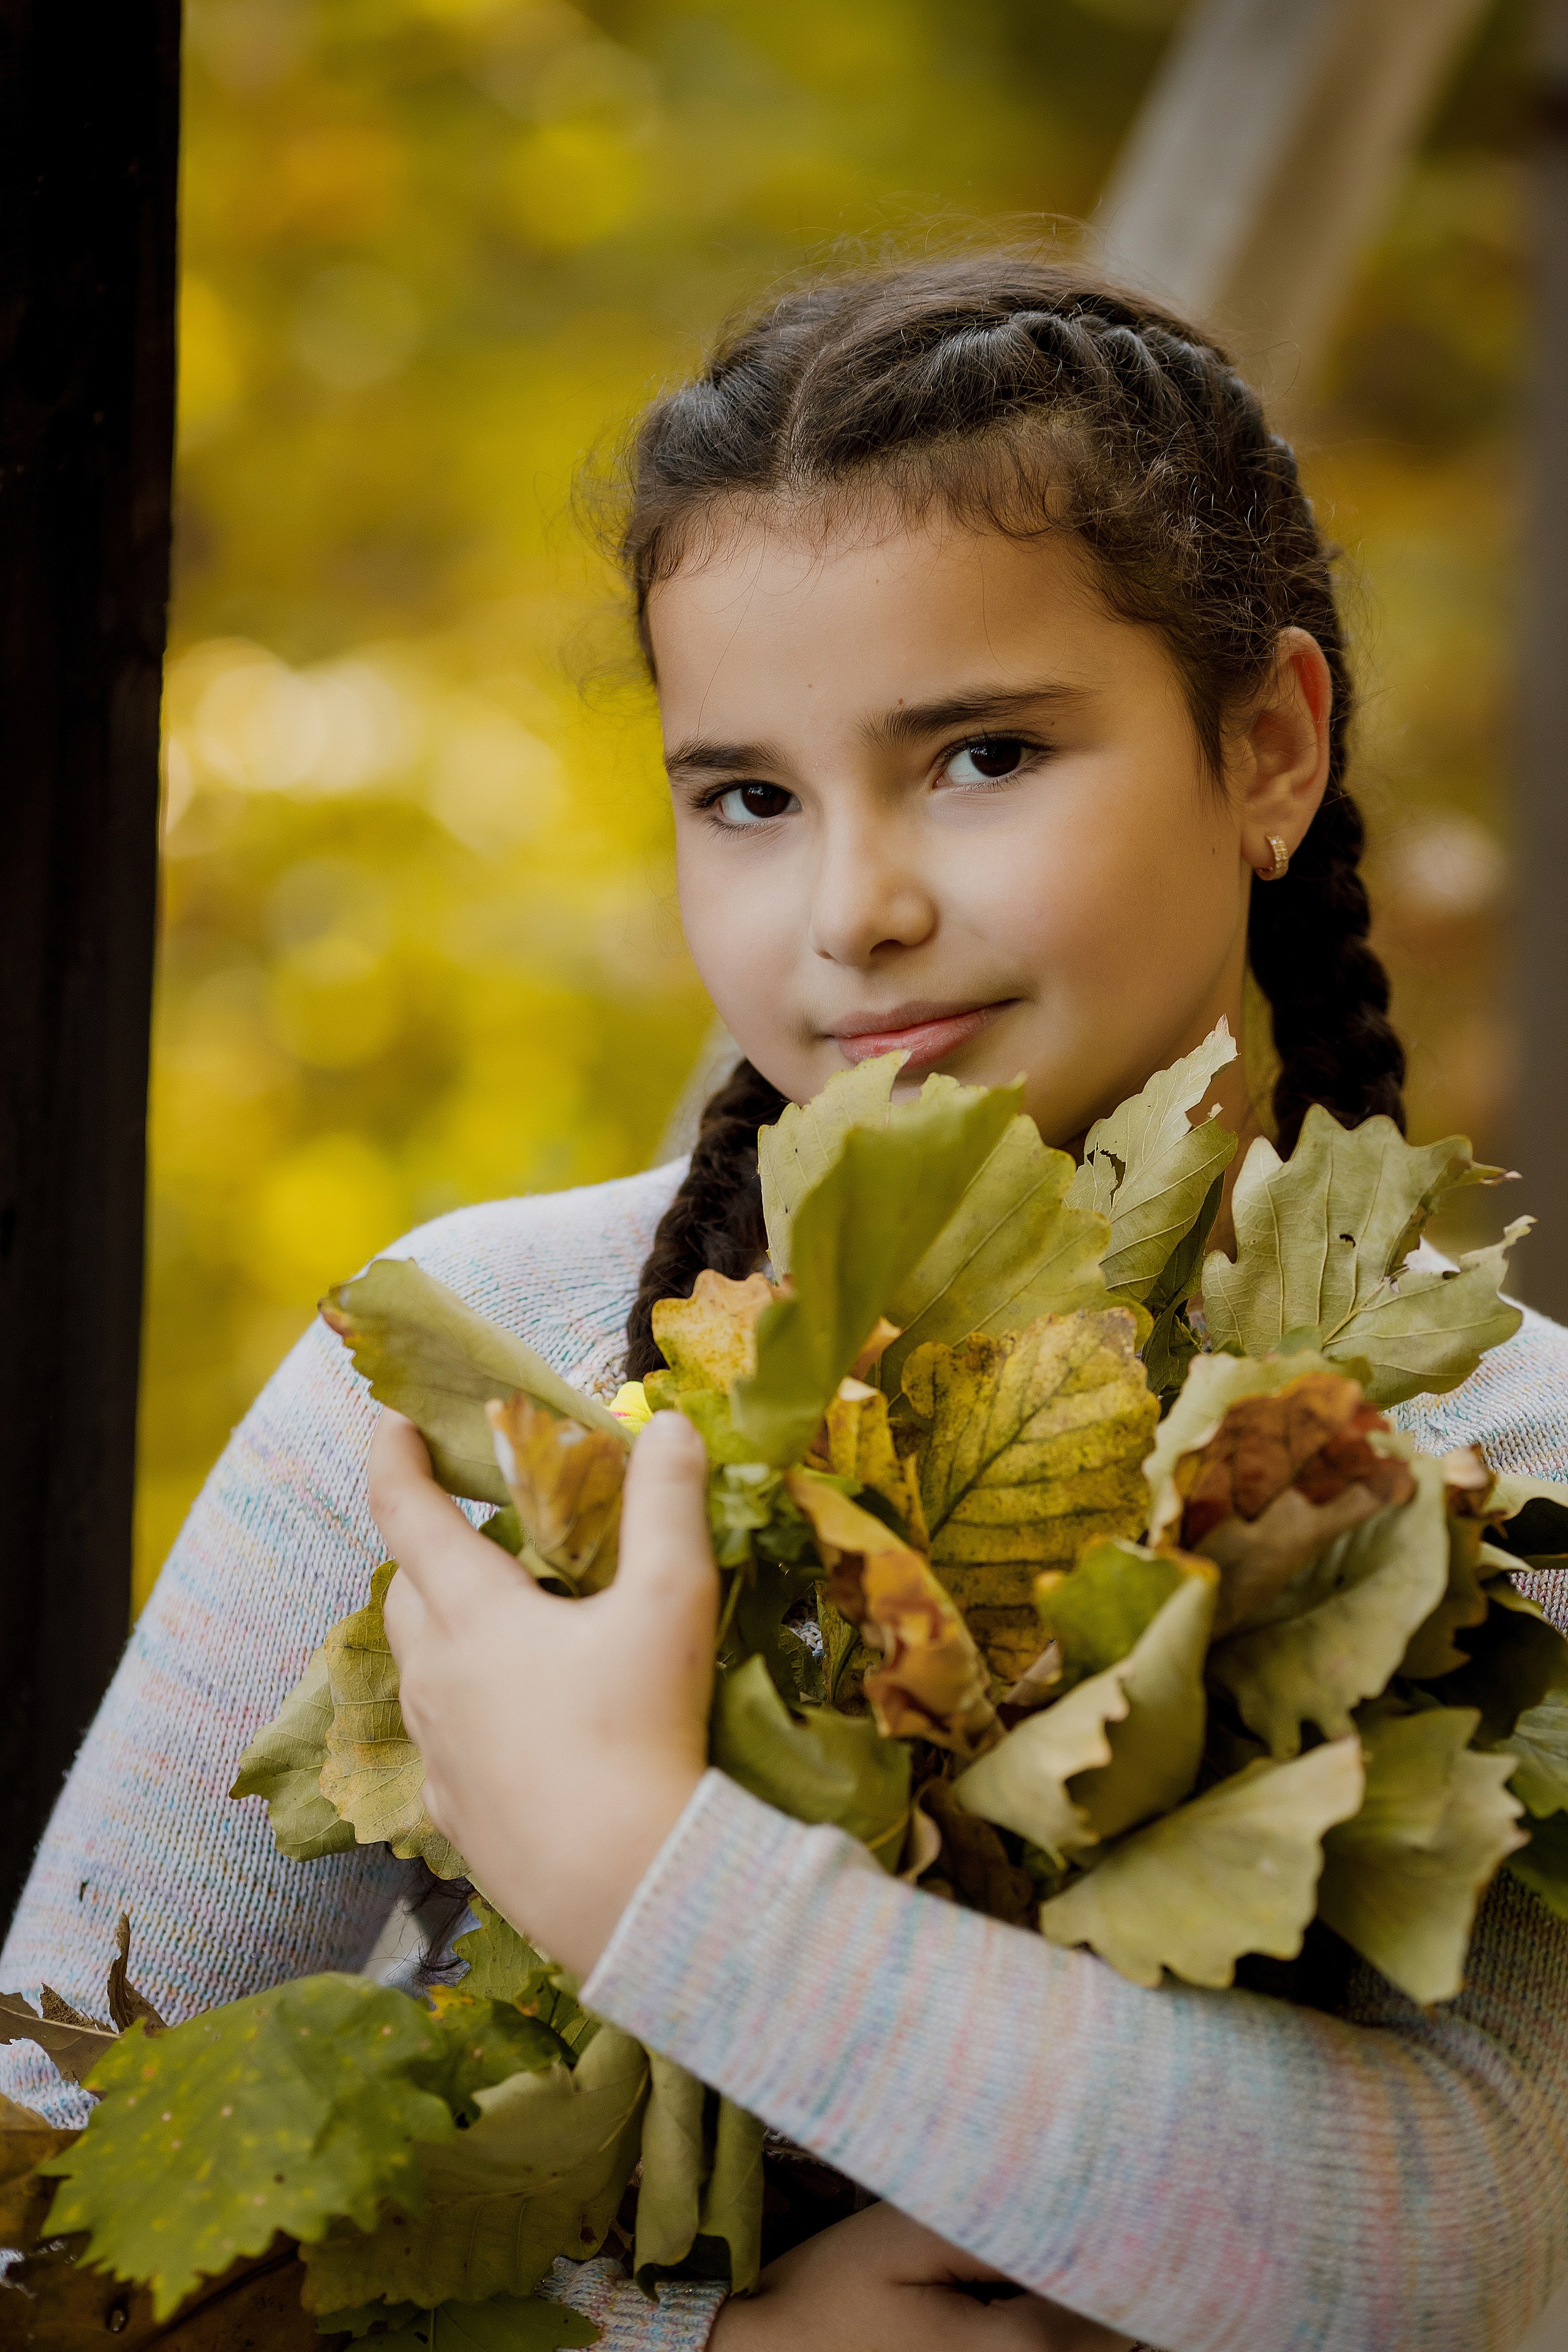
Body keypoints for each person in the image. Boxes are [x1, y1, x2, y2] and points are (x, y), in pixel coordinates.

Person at [4, 253, 1566, 2351]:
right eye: (748, 797)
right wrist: (701, 2344)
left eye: (985, 756)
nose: (853, 908)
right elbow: (50, 2196)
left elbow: (1444, 2241)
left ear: (1272, 747)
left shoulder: (1508, 1468)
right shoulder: (473, 1386)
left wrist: (639, 1871)